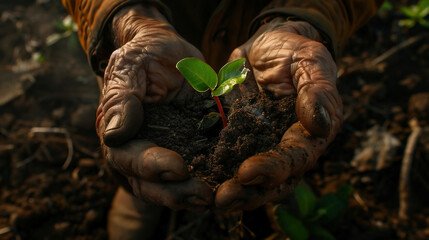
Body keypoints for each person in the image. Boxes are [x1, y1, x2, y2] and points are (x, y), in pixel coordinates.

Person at [62, 0, 383, 239]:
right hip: (154, 44)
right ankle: (139, 195)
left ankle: (275, 192)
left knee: (283, 144)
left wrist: (304, 18)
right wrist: (127, 18)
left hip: (265, 35)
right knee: (135, 114)